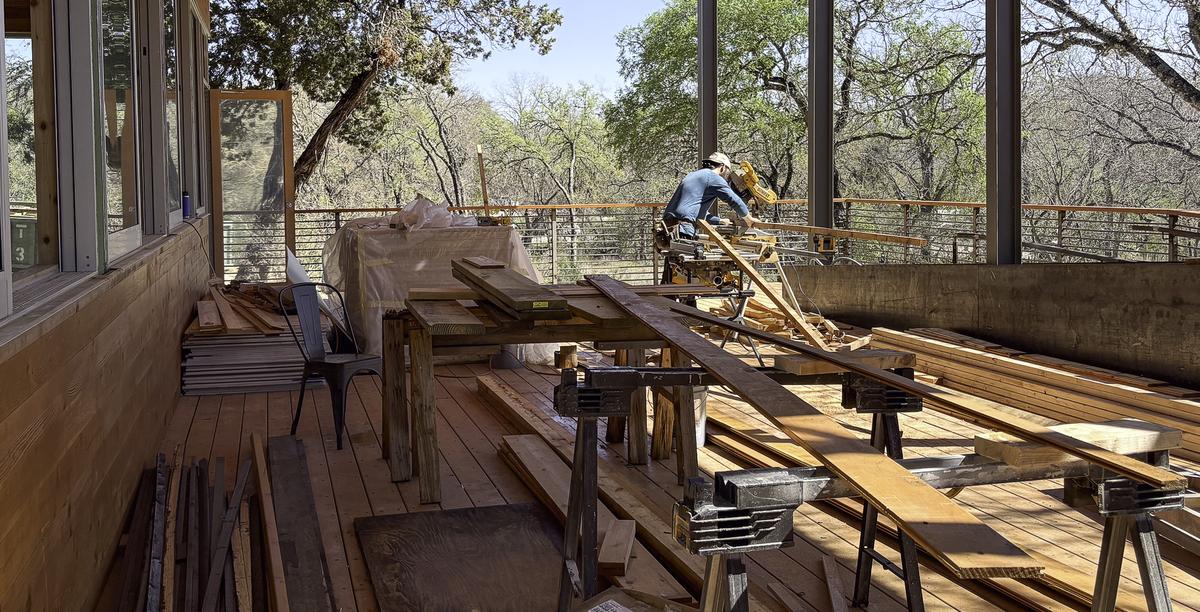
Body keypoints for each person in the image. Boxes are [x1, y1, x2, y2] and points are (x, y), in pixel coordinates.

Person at [662, 152, 761, 240]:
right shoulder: (713, 177)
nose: (727, 177)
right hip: (683, 228)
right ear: (722, 168)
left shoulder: (694, 175)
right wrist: (749, 219)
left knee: (675, 259)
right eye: (727, 172)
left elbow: (694, 211)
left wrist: (720, 221)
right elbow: (734, 200)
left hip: (668, 227)